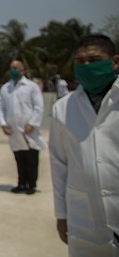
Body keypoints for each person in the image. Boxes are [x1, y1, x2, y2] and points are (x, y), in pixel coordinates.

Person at [49, 34, 119, 256]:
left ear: (115, 62)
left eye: (95, 59)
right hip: (85, 220)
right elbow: (59, 165)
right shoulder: (63, 108)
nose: (87, 66)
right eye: (80, 62)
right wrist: (62, 215)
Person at [0, 60, 47, 195]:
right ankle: (21, 184)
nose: (13, 70)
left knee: (32, 159)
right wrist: (3, 124)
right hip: (13, 132)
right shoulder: (5, 88)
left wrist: (32, 124)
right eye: (11, 68)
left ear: (23, 71)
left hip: (29, 130)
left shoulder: (31, 87)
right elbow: (0, 107)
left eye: (16, 68)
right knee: (19, 159)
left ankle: (32, 185)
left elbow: (39, 107)